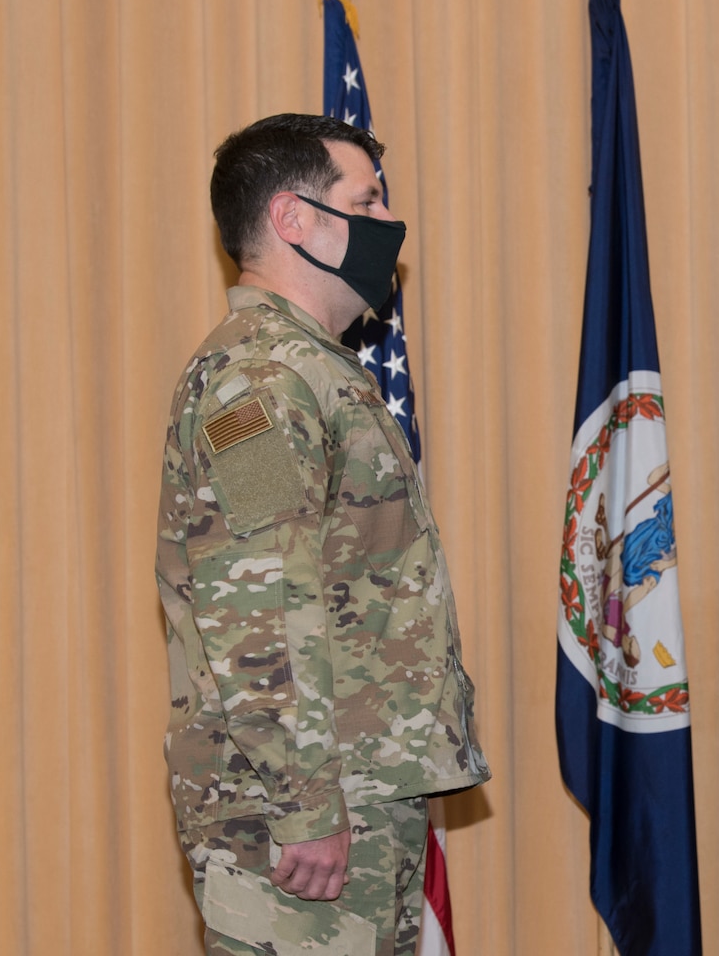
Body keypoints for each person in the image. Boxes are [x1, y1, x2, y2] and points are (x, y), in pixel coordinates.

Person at [155, 113, 489, 955]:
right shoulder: (257, 382)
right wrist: (305, 802)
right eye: (365, 198)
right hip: (306, 817)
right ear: (293, 219)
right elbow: (259, 595)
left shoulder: (308, 368)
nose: (388, 222)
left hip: (356, 792)